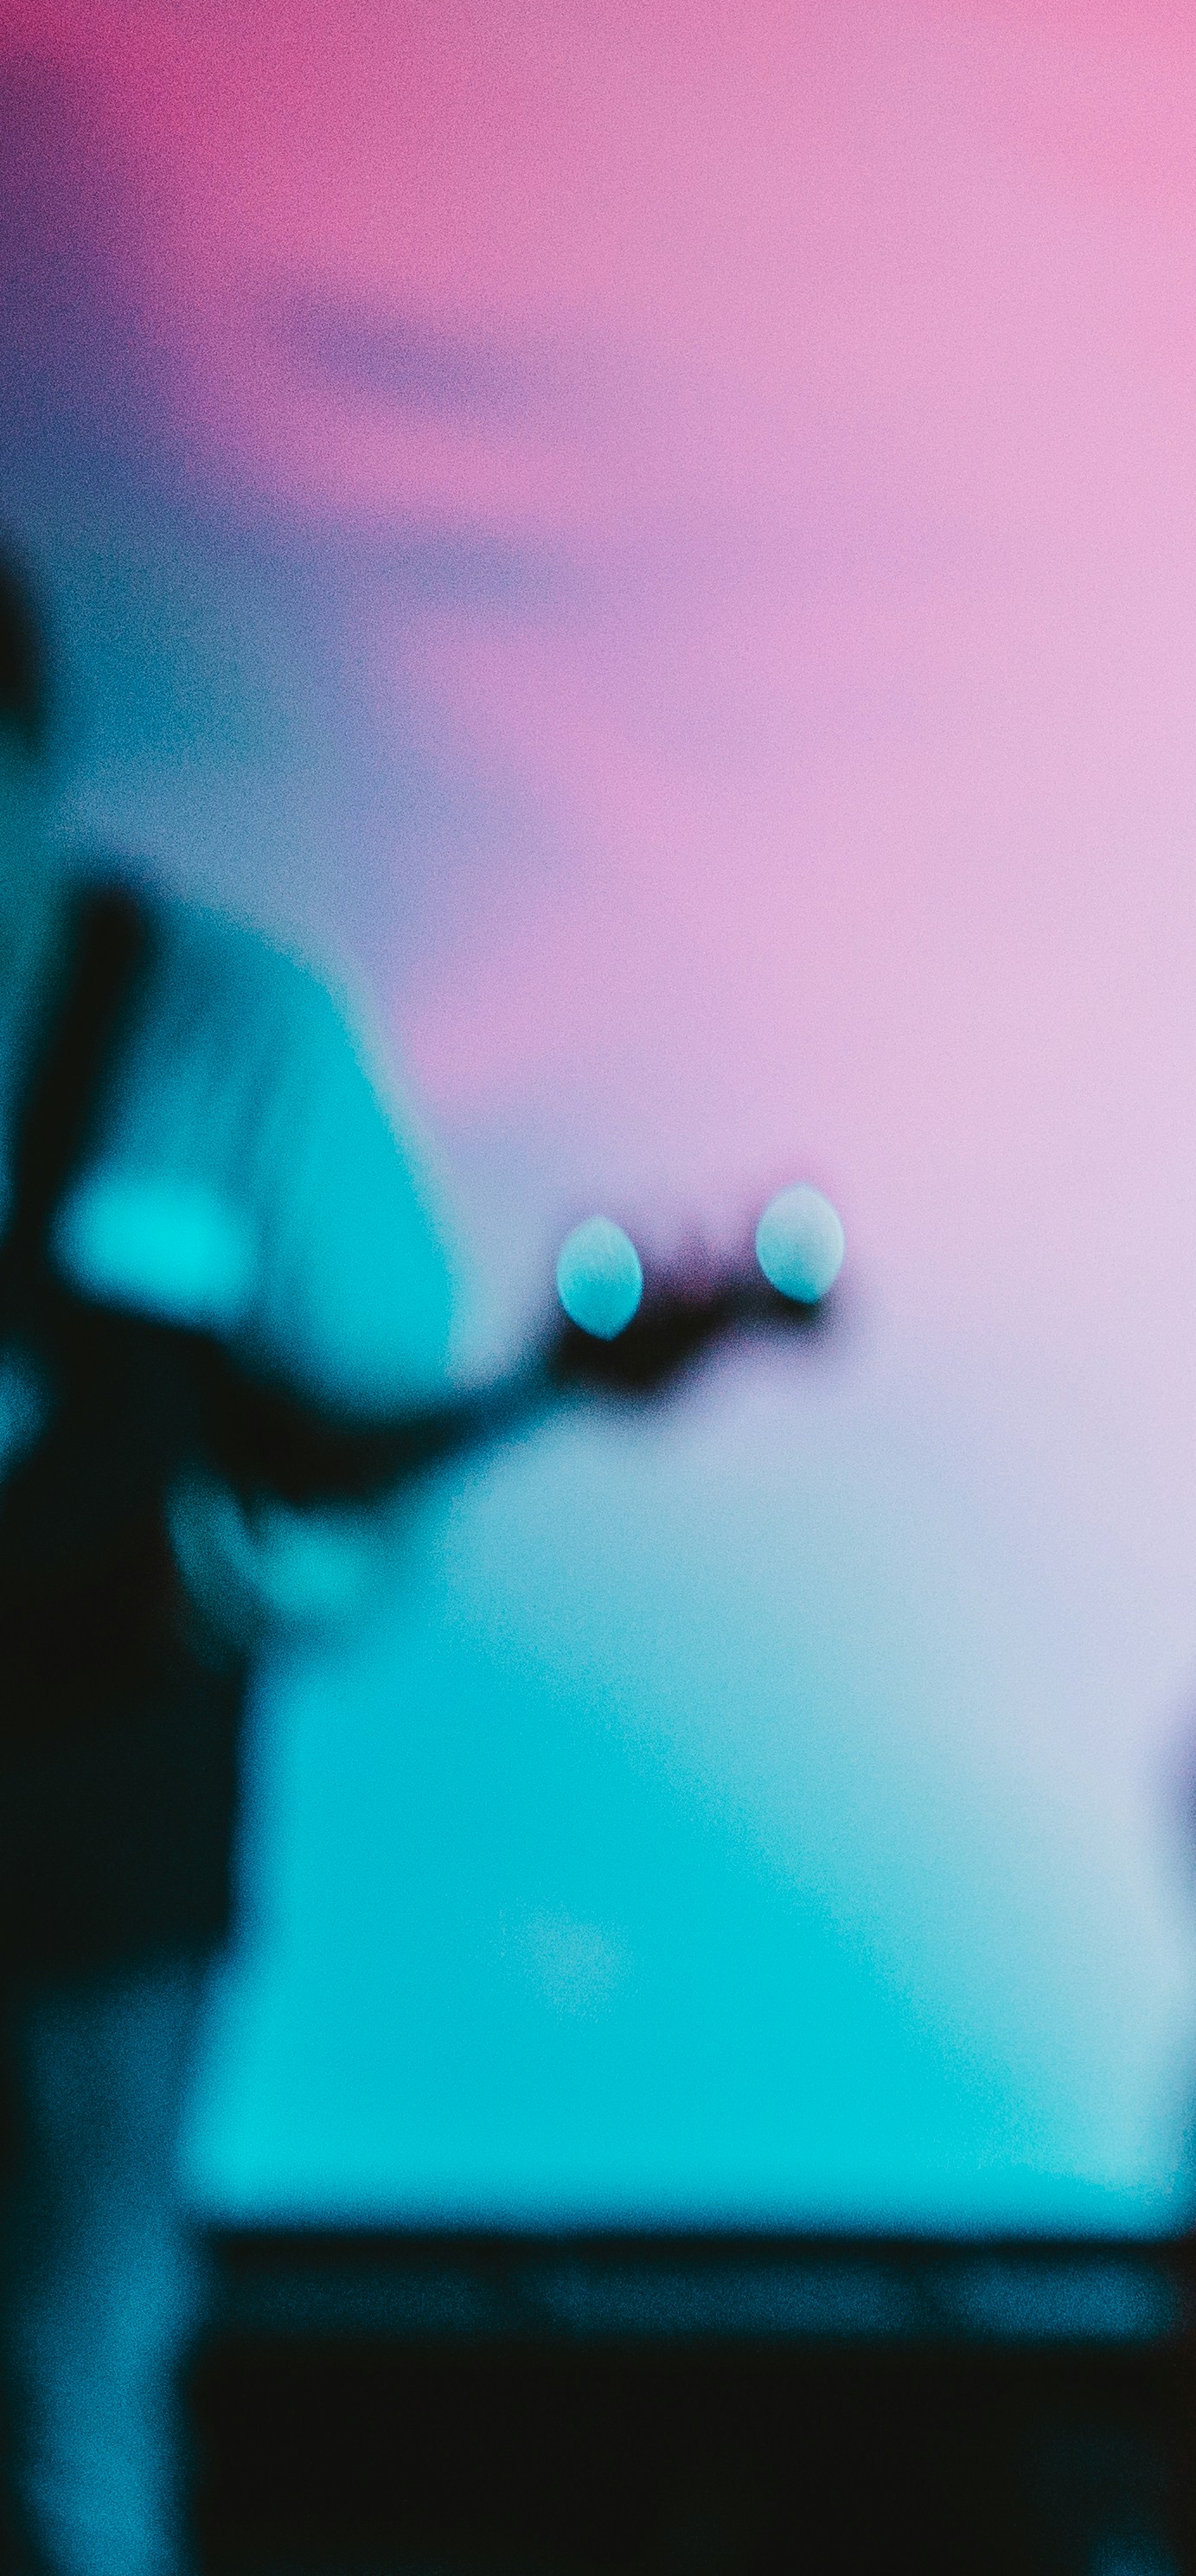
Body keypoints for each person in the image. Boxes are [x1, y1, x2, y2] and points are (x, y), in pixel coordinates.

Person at [0, 529, 457, 2576]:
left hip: (92, 1863)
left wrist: (263, 1573)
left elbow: (383, 1457)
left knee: (66, 2389)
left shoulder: (226, 1031)